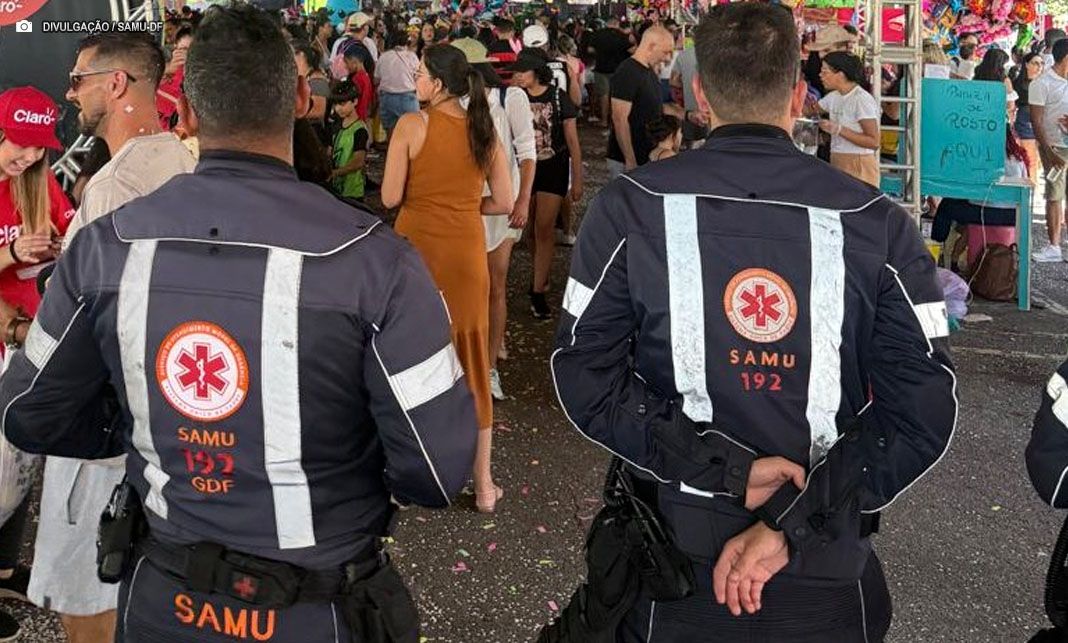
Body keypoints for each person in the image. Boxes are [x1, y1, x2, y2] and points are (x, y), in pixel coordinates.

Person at [0, 6, 478, 642]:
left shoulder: (104, 247)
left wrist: (148, 429)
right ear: (302, 100)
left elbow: (30, 410)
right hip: (318, 604)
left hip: (162, 597)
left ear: (188, 115)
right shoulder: (377, 261)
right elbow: (436, 465)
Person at [550, 3, 956, 641]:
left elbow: (583, 374)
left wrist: (724, 472)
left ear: (701, 95)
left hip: (677, 564)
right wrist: (792, 524)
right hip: (825, 566)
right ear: (798, 94)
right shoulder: (879, 222)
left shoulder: (633, 207)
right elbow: (924, 409)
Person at [34, 32, 197, 643]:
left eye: (78, 80)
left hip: (105, 425)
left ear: (116, 83)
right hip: (174, 422)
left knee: (89, 586)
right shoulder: (189, 164)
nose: (70, 92)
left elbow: (74, 327)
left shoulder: (107, 191)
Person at [382, 44, 513, 514]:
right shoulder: (483, 130)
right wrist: (463, 206)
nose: (414, 81)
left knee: (409, 359)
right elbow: (504, 198)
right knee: (473, 362)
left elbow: (391, 195)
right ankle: (483, 486)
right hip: (465, 253)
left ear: (436, 83)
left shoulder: (411, 126)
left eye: (419, 75)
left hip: (415, 253)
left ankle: (406, 479)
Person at [0, 85, 74, 643]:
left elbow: (68, 225)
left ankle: (4, 570)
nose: (26, 157)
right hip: (8, 333)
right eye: (17, 144)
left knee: (20, 462)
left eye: (36, 149)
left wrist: (56, 245)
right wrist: (10, 253)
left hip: (26, 340)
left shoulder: (36, 180)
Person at [452, 37, 536, 401]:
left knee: (496, 284)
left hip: (503, 205)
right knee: (469, 286)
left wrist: (523, 201)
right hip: (468, 205)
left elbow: (528, 153)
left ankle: (489, 367)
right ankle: (463, 364)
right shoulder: (452, 103)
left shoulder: (509, 98)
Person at [510, 51, 583, 321]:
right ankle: (541, 271)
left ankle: (538, 290)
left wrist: (577, 178)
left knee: (544, 228)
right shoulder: (512, 97)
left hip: (553, 166)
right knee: (528, 229)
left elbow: (573, 141)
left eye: (522, 71)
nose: (517, 75)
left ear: (537, 72)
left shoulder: (557, 97)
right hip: (522, 168)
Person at [607, 26, 698, 177]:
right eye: (666, 52)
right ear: (651, 46)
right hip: (628, 159)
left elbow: (656, 106)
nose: (668, 58)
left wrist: (689, 115)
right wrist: (630, 160)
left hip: (645, 154)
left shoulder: (648, 71)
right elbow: (619, 119)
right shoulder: (627, 72)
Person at [1029, 38, 1068, 262]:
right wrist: (1048, 151)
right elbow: (1037, 121)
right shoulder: (1042, 83)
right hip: (1054, 147)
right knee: (1055, 195)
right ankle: (1054, 245)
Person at [818, 52, 881, 187]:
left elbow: (873, 141)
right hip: (837, 158)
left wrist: (839, 130)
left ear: (840, 75)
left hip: (858, 162)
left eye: (825, 72)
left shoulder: (861, 99)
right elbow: (811, 110)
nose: (820, 76)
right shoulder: (834, 96)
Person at [588, 17, 632, 126]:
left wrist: (600, 52)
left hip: (601, 68)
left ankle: (604, 120)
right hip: (618, 70)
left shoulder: (598, 34)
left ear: (607, 23)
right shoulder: (622, 36)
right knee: (617, 96)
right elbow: (631, 50)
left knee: (604, 95)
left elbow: (590, 49)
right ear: (617, 24)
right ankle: (617, 121)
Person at [375, 29, 420, 138]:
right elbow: (418, 77)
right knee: (412, 132)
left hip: (386, 98)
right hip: (408, 98)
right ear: (406, 42)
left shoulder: (383, 57)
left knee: (391, 132)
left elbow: (376, 80)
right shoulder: (412, 56)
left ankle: (393, 153)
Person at [329, 80, 369, 199]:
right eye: (335, 104)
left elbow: (358, 161)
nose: (338, 108)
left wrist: (335, 173)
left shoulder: (359, 130)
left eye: (342, 103)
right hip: (336, 186)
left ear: (355, 101)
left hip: (353, 189)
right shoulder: (336, 125)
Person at [1013, 52, 1045, 184]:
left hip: (1041, 130)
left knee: (1034, 165)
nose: (1039, 67)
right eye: (1035, 63)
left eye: (1041, 63)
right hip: (1022, 129)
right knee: (1026, 164)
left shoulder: (1043, 84)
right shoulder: (1018, 85)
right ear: (1026, 65)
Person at [343, 42, 375, 122]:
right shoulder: (366, 77)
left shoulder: (357, 79)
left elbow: (357, 100)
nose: (345, 66)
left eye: (346, 62)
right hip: (362, 118)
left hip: (355, 118)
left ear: (355, 62)